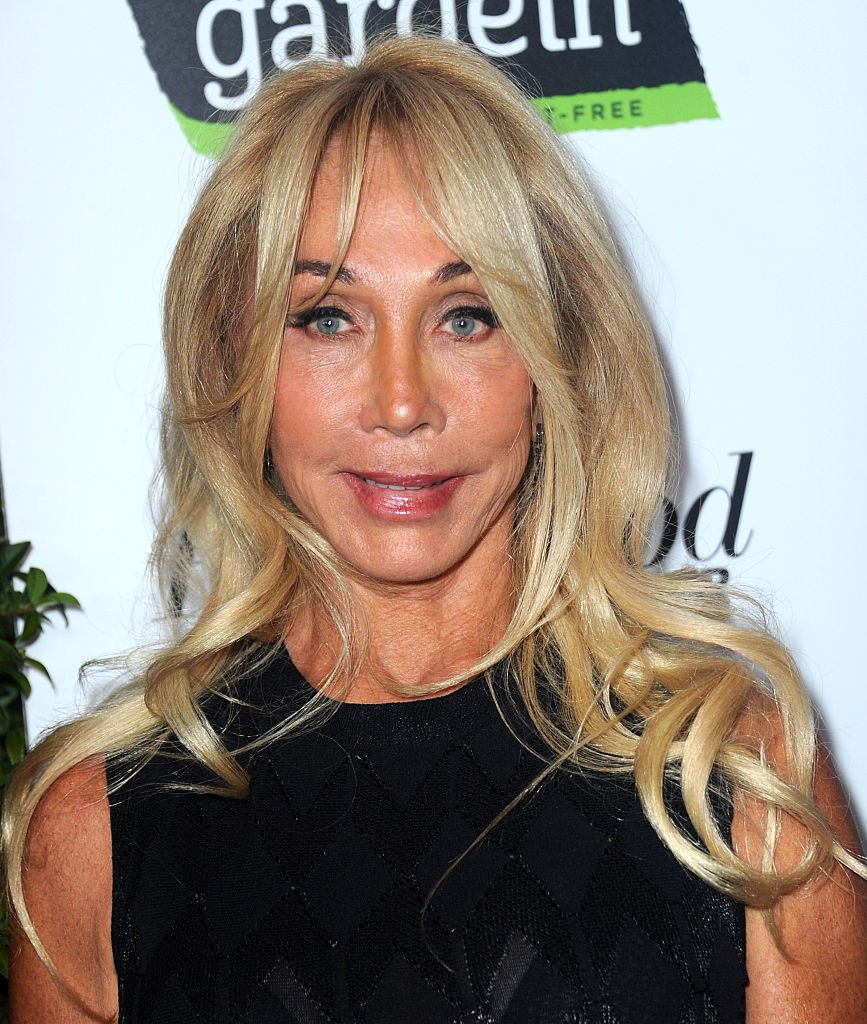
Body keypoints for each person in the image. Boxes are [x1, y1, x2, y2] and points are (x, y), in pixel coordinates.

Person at [4, 33, 866, 1024]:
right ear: (232, 357)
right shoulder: (96, 830)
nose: (403, 402)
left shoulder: (732, 772)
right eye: (328, 317)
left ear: (556, 365)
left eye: (467, 314)